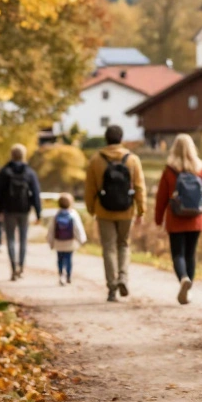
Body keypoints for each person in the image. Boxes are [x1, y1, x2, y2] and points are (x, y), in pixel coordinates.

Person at [83, 125, 146, 302]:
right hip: (127, 210)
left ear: (106, 138)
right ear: (121, 138)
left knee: (109, 248)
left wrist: (91, 208)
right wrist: (141, 210)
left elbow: (90, 188)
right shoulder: (132, 160)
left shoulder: (96, 160)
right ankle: (123, 278)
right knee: (124, 245)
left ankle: (112, 287)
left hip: (104, 210)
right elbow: (140, 187)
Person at [153, 134, 202, 305]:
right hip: (197, 218)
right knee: (190, 255)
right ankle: (189, 290)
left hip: (175, 218)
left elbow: (161, 197)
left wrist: (158, 219)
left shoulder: (170, 169)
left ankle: (183, 279)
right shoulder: (199, 168)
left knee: (178, 254)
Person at [0, 144, 43, 280]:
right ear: (24, 155)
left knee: (10, 239)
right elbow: (36, 193)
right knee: (23, 239)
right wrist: (38, 212)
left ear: (12, 155)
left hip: (9, 210)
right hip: (24, 210)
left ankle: (13, 268)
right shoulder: (29, 172)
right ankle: (21, 266)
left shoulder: (5, 171)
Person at [47, 193, 87, 286]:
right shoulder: (73, 214)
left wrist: (50, 242)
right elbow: (78, 228)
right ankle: (68, 276)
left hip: (58, 242)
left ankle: (61, 274)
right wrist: (82, 240)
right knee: (68, 259)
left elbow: (51, 230)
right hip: (70, 242)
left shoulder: (56, 215)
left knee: (60, 259)